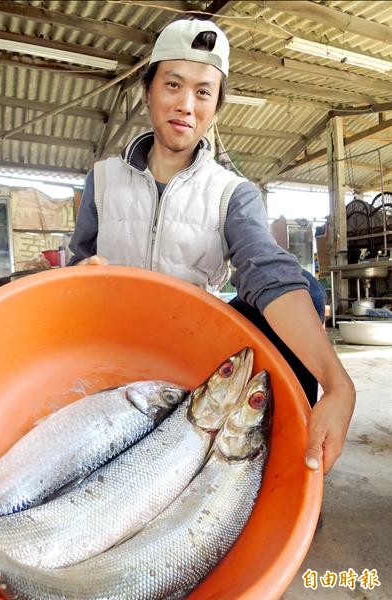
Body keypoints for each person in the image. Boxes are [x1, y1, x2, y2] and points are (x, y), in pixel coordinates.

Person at [68, 19, 355, 475]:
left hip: (192, 355)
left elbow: (265, 269)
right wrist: (80, 274)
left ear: (216, 107)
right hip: (114, 341)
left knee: (302, 285)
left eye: (203, 92)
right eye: (173, 85)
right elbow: (73, 265)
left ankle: (290, 462)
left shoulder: (231, 192)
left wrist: (337, 383)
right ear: (148, 91)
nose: (185, 105)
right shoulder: (102, 179)